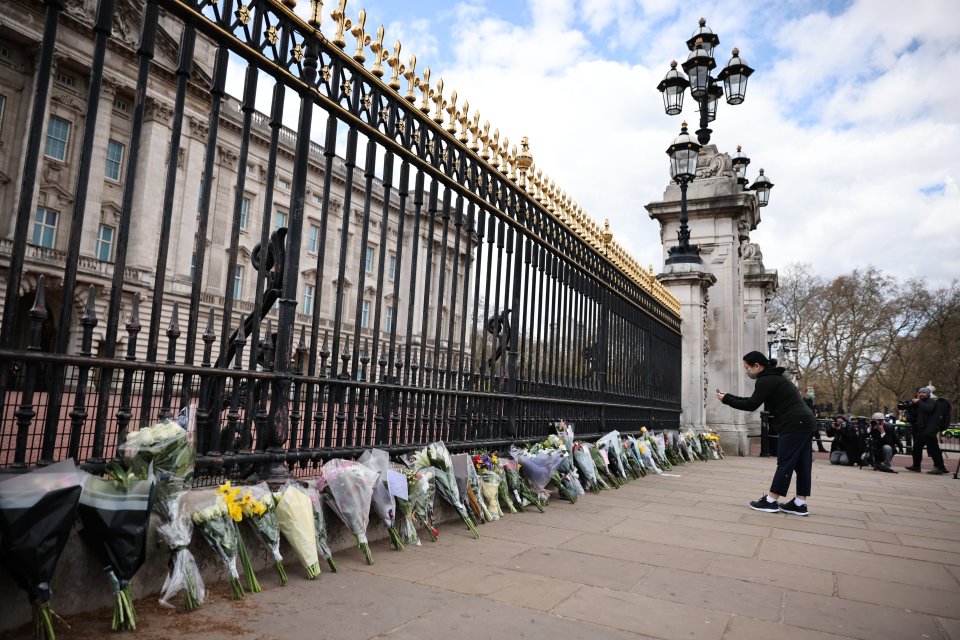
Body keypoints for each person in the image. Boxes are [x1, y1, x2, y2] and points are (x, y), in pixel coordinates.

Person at [717, 351, 816, 516]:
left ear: (757, 366)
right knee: (802, 464)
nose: (746, 371)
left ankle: (771, 500)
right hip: (805, 422)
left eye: (747, 367)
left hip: (793, 424)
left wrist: (727, 399)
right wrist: (728, 397)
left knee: (785, 462)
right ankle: (800, 503)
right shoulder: (775, 378)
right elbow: (752, 400)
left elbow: (751, 405)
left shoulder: (766, 380)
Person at [906, 387, 951, 474]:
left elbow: (929, 409)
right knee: (917, 448)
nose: (921, 394)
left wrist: (918, 402)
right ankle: (916, 466)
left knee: (933, 449)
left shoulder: (931, 402)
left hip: (929, 429)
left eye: (924, 392)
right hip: (922, 429)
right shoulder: (920, 402)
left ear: (928, 394)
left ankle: (939, 467)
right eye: (920, 392)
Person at [804, 388, 828, 453]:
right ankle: (809, 448)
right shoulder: (803, 401)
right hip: (807, 420)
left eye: (812, 391)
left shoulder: (811, 401)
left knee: (817, 434)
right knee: (809, 435)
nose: (812, 392)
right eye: (810, 391)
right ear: (806, 393)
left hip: (813, 420)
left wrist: (816, 412)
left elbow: (814, 409)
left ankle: (820, 447)